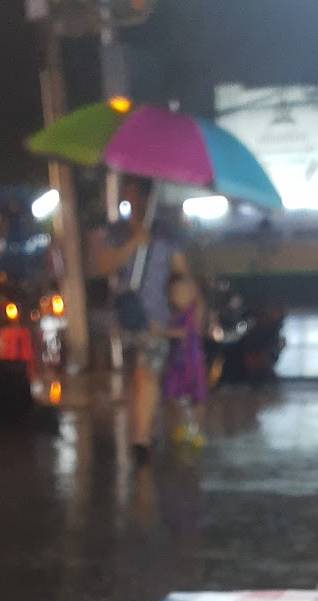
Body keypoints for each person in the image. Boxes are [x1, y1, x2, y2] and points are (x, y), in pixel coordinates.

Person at [93, 177, 188, 463]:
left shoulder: (166, 236)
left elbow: (181, 272)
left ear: (148, 198)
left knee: (147, 374)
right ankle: (145, 427)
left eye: (135, 195)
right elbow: (102, 265)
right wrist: (134, 243)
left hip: (155, 318)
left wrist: (184, 303)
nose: (131, 201)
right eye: (127, 195)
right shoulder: (116, 233)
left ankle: (141, 439)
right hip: (125, 315)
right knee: (135, 377)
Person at [164, 269, 207, 447]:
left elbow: (182, 333)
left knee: (198, 397)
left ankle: (195, 430)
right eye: (174, 294)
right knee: (170, 394)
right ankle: (184, 425)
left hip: (192, 363)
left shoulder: (192, 313)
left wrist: (159, 331)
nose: (177, 297)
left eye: (182, 293)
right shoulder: (173, 315)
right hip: (177, 363)